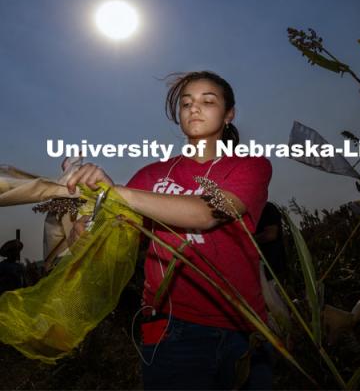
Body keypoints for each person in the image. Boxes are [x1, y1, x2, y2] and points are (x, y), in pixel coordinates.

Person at [66, 71, 273, 390]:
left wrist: (117, 192)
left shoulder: (249, 165)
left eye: (208, 101)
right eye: (186, 102)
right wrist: (83, 228)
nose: (194, 108)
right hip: (173, 331)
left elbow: (211, 211)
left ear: (229, 113)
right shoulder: (151, 176)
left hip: (244, 329)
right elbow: (109, 238)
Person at [255, 202, 287, 283]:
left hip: (272, 268)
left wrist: (247, 239)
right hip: (261, 268)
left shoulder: (267, 208)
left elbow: (271, 235)